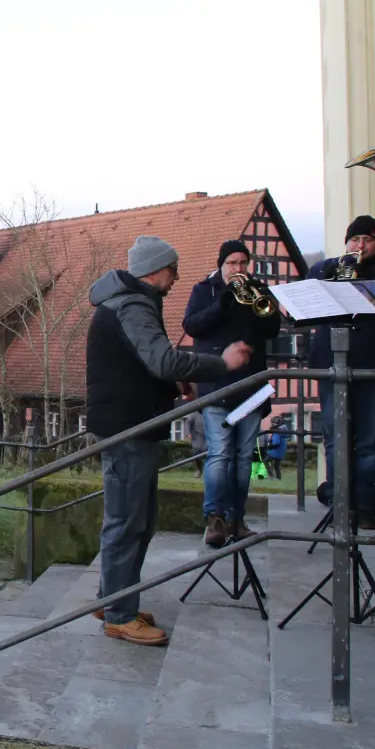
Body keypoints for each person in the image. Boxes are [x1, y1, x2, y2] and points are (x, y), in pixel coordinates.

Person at [86, 235, 247, 646]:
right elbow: (160, 359)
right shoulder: (133, 303)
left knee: (136, 520)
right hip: (129, 428)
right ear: (156, 270)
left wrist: (178, 381)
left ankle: (113, 598)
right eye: (173, 270)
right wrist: (219, 363)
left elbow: (143, 361)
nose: (176, 278)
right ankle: (120, 614)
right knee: (128, 522)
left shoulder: (127, 300)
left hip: (130, 424)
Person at [181, 239, 285, 548]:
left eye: (242, 263)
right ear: (221, 265)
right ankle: (215, 518)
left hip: (251, 387)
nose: (238, 269)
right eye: (231, 263)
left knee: (243, 457)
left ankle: (237, 519)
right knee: (220, 452)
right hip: (216, 386)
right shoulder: (204, 290)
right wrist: (222, 302)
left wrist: (257, 306)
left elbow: (273, 329)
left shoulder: (257, 290)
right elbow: (192, 326)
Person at [309, 215, 375, 530]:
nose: (360, 246)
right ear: (346, 242)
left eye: (368, 240)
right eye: (355, 240)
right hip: (332, 365)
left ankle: (363, 504)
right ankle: (340, 504)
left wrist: (362, 287)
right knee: (335, 439)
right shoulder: (327, 268)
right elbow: (306, 294)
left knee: (369, 440)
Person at [263, 417, 288, 481]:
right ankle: (278, 478)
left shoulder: (277, 431)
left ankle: (272, 476)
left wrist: (269, 446)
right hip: (281, 451)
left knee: (265, 461)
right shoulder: (283, 430)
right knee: (277, 466)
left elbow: (276, 442)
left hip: (275, 451)